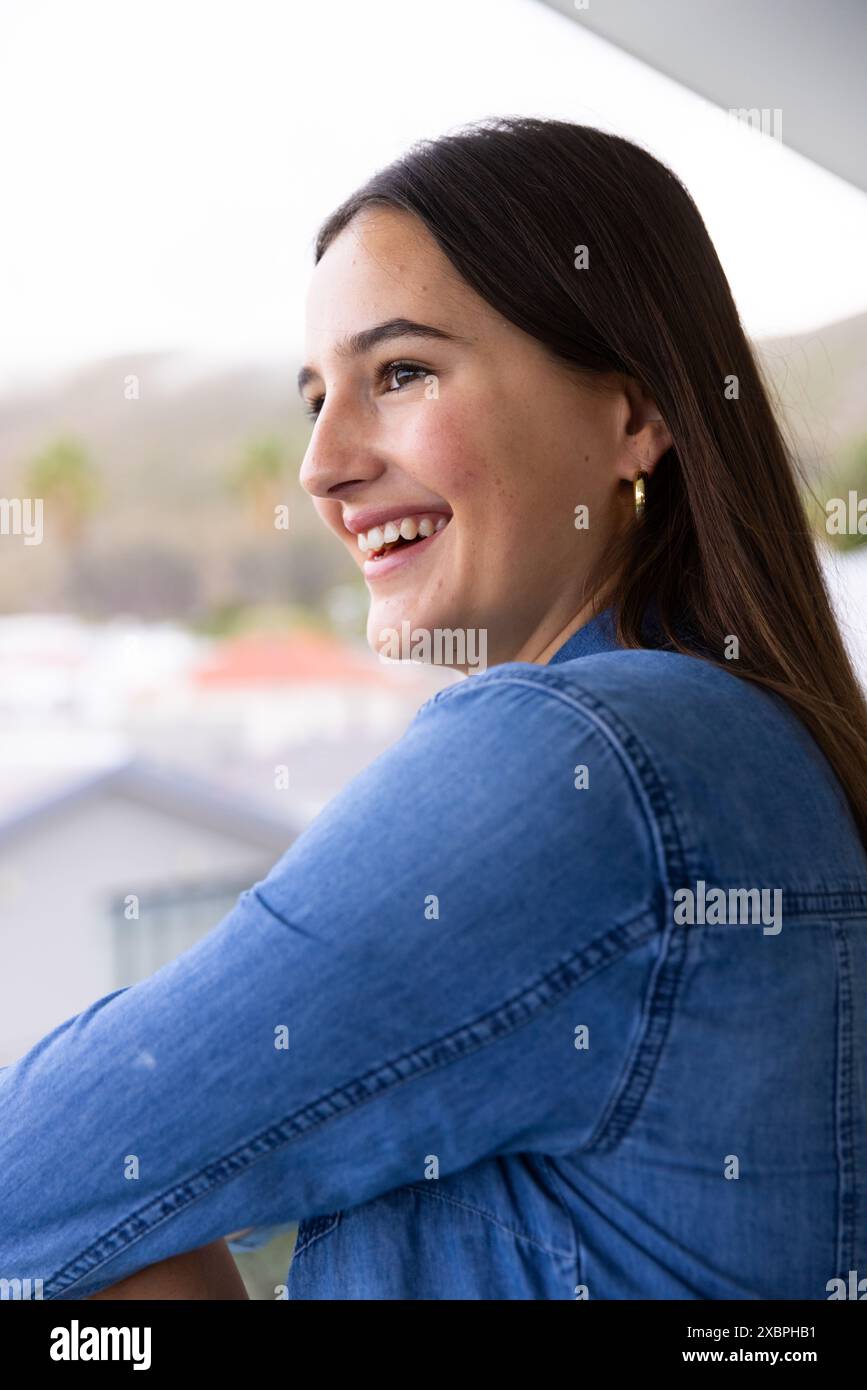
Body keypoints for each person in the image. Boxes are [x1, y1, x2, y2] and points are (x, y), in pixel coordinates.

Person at [2, 116, 867, 1301]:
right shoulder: (754, 743)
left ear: (632, 415)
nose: (319, 462)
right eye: (316, 396)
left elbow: (31, 1173)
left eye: (400, 372)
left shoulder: (576, 761)